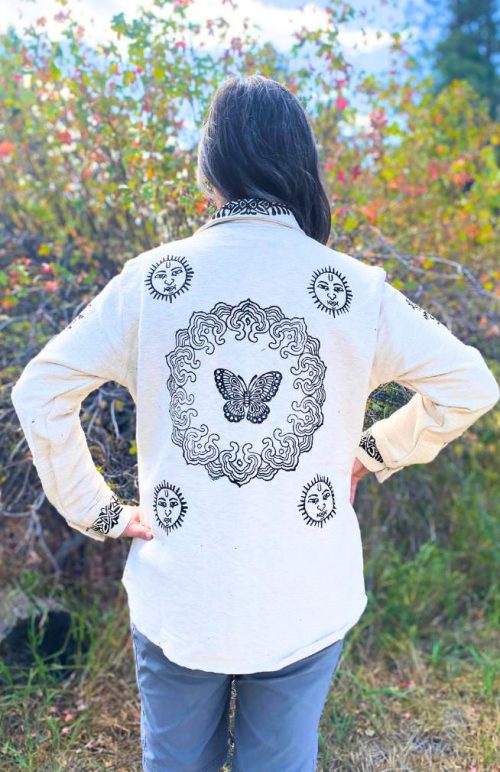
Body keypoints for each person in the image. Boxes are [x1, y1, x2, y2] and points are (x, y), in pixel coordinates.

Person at [11, 74, 499, 772]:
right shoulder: (353, 290)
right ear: (301, 165)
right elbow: (470, 384)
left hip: (182, 593)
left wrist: (100, 512)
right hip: (304, 595)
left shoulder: (152, 282)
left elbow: (41, 390)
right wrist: (373, 452)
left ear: (209, 169)